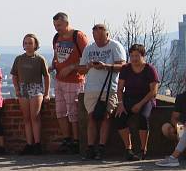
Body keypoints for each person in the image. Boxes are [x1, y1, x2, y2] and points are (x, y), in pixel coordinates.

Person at [78, 23, 127, 160]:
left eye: (100, 36)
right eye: (95, 36)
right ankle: (90, 147)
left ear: (107, 34)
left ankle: (101, 147)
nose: (98, 39)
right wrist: (88, 66)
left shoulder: (115, 46)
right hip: (91, 88)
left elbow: (123, 66)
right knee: (92, 117)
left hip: (109, 87)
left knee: (105, 116)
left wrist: (106, 66)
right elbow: (80, 70)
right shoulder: (89, 48)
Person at [51, 12, 88, 154]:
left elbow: (86, 57)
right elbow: (57, 55)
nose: (57, 28)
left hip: (74, 80)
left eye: (59, 25)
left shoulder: (78, 36)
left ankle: (77, 141)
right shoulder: (57, 37)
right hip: (60, 80)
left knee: (73, 112)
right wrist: (54, 65)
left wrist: (72, 67)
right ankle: (67, 139)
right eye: (55, 26)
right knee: (60, 112)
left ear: (66, 23)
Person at [115, 44, 159, 160]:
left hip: (146, 99)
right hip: (129, 98)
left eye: (137, 56)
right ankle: (128, 149)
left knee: (143, 117)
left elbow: (153, 91)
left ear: (143, 56)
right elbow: (119, 89)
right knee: (120, 117)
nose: (134, 59)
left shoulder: (150, 69)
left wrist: (140, 104)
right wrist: (120, 104)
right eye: (132, 56)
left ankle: (143, 149)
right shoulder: (126, 69)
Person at [11, 34, 50, 155]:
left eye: (30, 43)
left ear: (35, 45)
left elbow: (47, 76)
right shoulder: (19, 59)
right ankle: (29, 144)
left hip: (36, 87)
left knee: (35, 116)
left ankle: (37, 144)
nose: (28, 45)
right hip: (23, 88)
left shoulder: (40, 59)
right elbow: (14, 75)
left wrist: (47, 93)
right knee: (26, 118)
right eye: (26, 43)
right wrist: (17, 89)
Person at [157, 87, 186, 167]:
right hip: (182, 126)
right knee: (166, 128)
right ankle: (176, 156)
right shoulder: (181, 97)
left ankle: (173, 157)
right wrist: (179, 126)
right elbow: (174, 118)